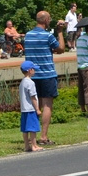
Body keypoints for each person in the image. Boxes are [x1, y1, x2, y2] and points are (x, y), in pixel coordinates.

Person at [23, 10, 67, 145]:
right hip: (47, 74)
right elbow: (61, 49)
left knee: (34, 106)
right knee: (47, 105)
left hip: (32, 76)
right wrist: (59, 32)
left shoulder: (28, 36)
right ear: (47, 20)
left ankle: (33, 137)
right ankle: (43, 136)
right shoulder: (48, 36)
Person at [19, 61, 44, 152]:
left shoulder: (22, 82)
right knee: (33, 128)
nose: (34, 71)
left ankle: (26, 146)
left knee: (25, 129)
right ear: (30, 70)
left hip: (24, 109)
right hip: (30, 109)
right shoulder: (30, 83)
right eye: (33, 69)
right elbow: (33, 97)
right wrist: (37, 109)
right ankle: (34, 145)